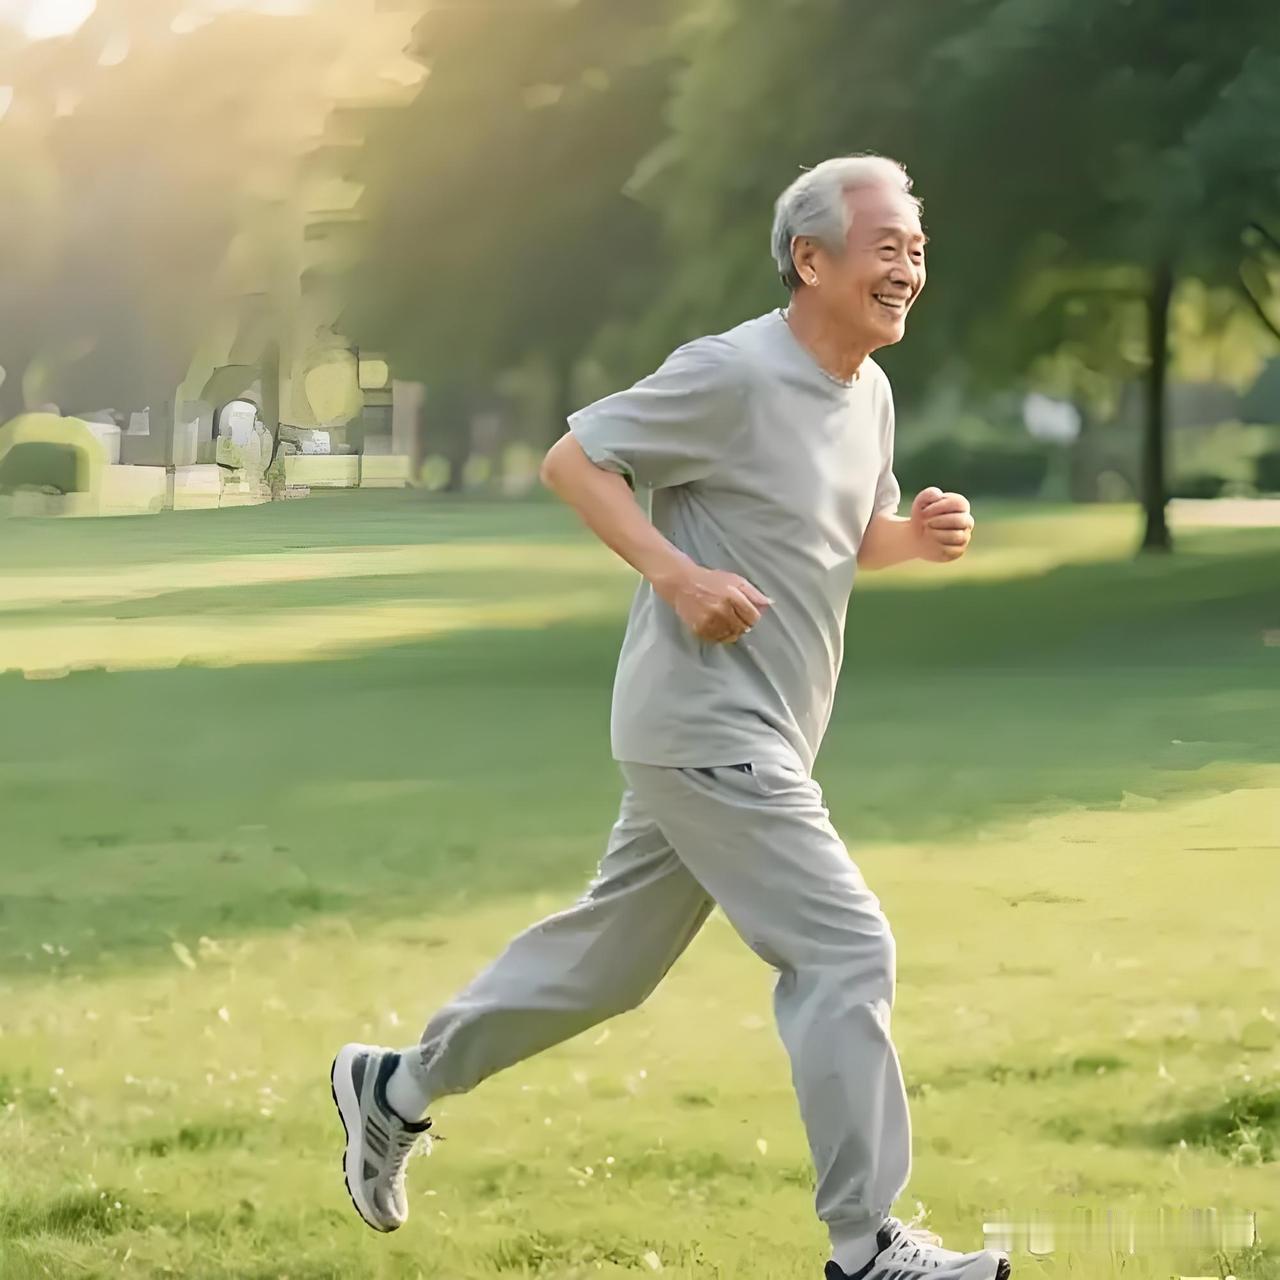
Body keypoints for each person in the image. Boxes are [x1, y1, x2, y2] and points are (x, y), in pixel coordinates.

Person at [330, 154, 1010, 1280]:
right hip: (704, 723)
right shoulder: (732, 371)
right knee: (845, 945)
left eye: (916, 249)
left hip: (753, 732)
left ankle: (392, 1086)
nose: (907, 268)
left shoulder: (866, 394)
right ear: (811, 259)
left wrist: (915, 533)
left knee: (606, 965)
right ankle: (864, 1244)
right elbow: (574, 459)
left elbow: (846, 537)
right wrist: (673, 574)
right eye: (885, 246)